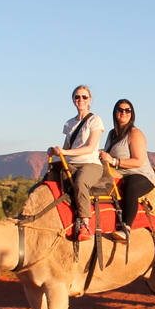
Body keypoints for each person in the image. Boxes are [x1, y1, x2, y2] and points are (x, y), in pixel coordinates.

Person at [48, 85, 105, 241]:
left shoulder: (95, 120)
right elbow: (67, 147)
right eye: (77, 97)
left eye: (84, 97)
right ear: (73, 100)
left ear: (90, 100)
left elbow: (90, 148)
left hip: (90, 164)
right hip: (71, 164)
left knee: (80, 183)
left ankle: (85, 224)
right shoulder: (69, 123)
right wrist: (54, 151)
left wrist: (65, 152)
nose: (80, 100)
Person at [98, 99, 155, 242]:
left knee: (130, 185)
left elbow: (138, 161)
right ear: (115, 113)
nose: (123, 112)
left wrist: (114, 161)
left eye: (127, 110)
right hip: (119, 174)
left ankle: (125, 228)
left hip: (140, 176)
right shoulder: (112, 134)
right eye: (120, 109)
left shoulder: (135, 134)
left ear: (132, 114)